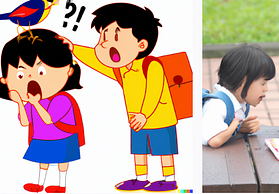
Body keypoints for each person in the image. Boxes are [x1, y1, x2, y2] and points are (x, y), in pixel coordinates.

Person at [59, 3, 186, 191]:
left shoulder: (152, 66)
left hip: (159, 119)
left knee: (164, 150)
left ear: (141, 44)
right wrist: (74, 48)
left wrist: (144, 114)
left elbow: (154, 91)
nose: (104, 44)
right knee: (139, 151)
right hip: (136, 120)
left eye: (115, 37)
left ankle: (169, 179)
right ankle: (141, 178)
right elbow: (96, 61)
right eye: (103, 38)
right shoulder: (121, 70)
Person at [0, 29, 85, 193]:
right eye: (20, 75)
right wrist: (19, 102)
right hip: (41, 137)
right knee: (43, 161)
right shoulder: (31, 102)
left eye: (41, 72)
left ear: (69, 70)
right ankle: (40, 183)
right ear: (5, 80)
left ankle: (62, 185)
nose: (31, 79)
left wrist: (36, 103)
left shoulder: (62, 99)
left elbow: (48, 119)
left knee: (62, 162)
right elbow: (25, 122)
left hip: (63, 137)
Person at [202, 45, 275, 148]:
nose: (266, 89)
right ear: (243, 80)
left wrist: (240, 128)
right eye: (263, 83)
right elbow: (214, 140)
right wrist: (235, 124)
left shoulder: (240, 102)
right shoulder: (218, 105)